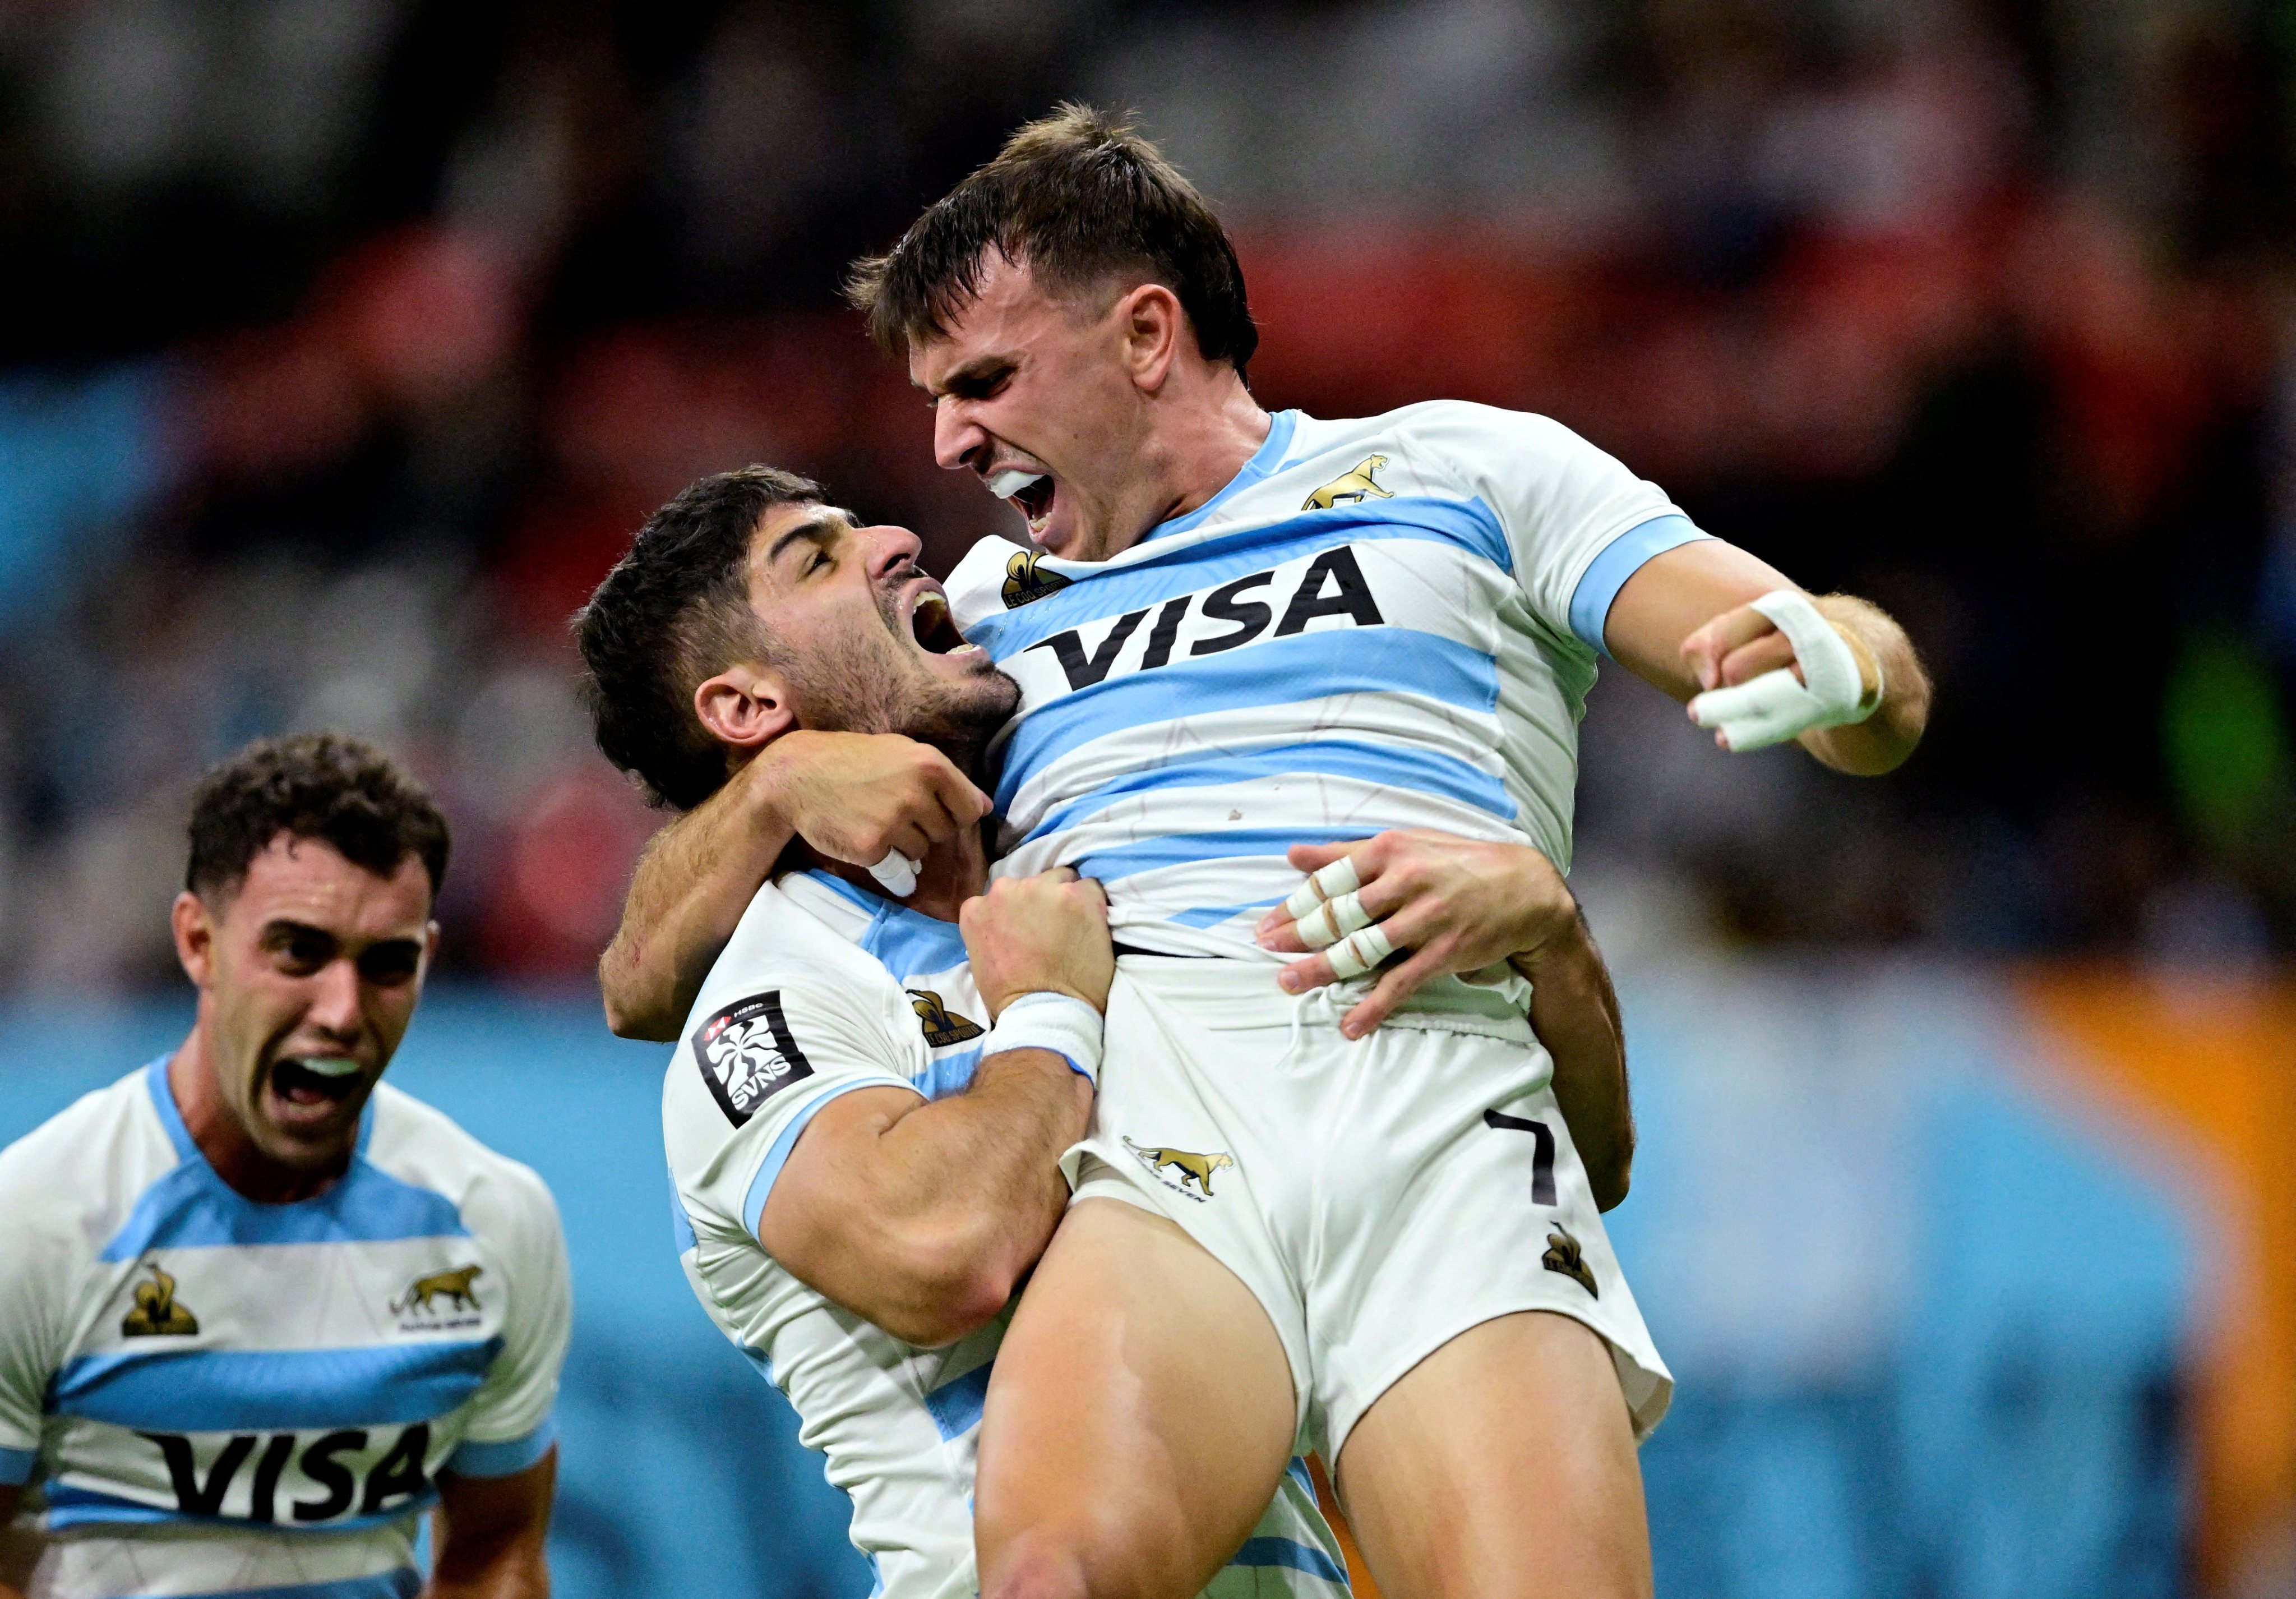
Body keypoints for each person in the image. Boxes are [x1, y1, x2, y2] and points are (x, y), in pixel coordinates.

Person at [603, 105, 1930, 1599]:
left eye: (981, 381)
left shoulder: (1471, 473)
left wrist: (1855, 672)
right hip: (1171, 1114)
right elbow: (646, 975)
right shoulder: (975, 614)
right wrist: (772, 792)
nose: (946, 441)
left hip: (1442, 1103)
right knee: (1052, 1580)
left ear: (1147, 336)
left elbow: (1843, 663)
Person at [572, 465, 1643, 1599]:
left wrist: (1550, 939)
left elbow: (1573, 1166)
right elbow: (944, 1249)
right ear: (744, 709)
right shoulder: (782, 996)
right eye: (817, 557)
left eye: (856, 524)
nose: (894, 537)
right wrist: (1047, 1012)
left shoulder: (1100, 863)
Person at [0, 735, 570, 1599]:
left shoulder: (494, 1220)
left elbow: (497, 1546)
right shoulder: (34, 1218)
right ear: (198, 941)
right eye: (299, 952)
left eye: (388, 964)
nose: (342, 1011)